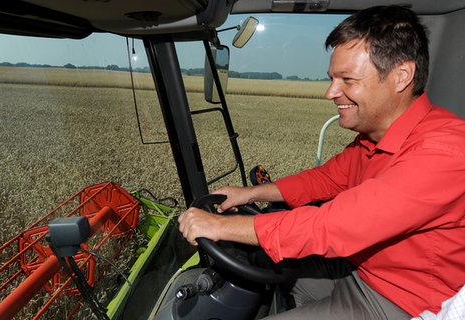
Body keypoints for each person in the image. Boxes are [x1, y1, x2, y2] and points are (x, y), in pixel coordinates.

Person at [178, 5, 465, 320]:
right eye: (332, 78)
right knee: (267, 266)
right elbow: (327, 179)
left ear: (401, 76)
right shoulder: (373, 139)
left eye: (347, 79)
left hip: (402, 301)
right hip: (360, 267)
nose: (331, 92)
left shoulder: (445, 151)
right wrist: (251, 194)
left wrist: (221, 226)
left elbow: (337, 225)